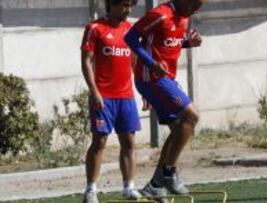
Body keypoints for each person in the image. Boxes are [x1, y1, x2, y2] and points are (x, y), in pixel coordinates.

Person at [125, 0, 204, 201]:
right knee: (192, 116)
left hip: (165, 78)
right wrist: (151, 64)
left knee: (180, 127)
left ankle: (156, 185)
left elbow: (168, 43)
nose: (196, 11)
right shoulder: (161, 13)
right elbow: (130, 37)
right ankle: (168, 173)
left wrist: (189, 43)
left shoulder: (184, 16)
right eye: (195, 6)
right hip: (150, 77)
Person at [80, 0, 141, 202]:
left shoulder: (130, 29)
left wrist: (143, 91)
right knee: (100, 141)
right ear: (111, 4)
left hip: (126, 97)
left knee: (129, 142)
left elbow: (134, 62)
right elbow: (86, 61)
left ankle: (129, 187)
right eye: (124, 5)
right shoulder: (95, 28)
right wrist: (94, 91)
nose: (128, 10)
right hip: (103, 97)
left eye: (130, 5)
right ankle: (91, 190)